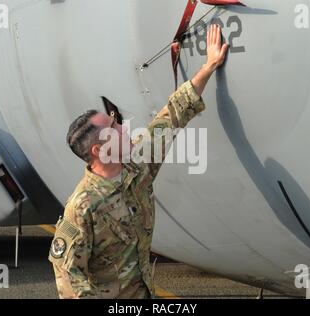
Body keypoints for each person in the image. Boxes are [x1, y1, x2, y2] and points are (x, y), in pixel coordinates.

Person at [49, 24, 229, 299]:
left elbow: (172, 116)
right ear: (99, 149)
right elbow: (68, 277)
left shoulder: (136, 166)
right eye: (113, 127)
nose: (122, 128)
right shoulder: (83, 206)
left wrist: (208, 66)